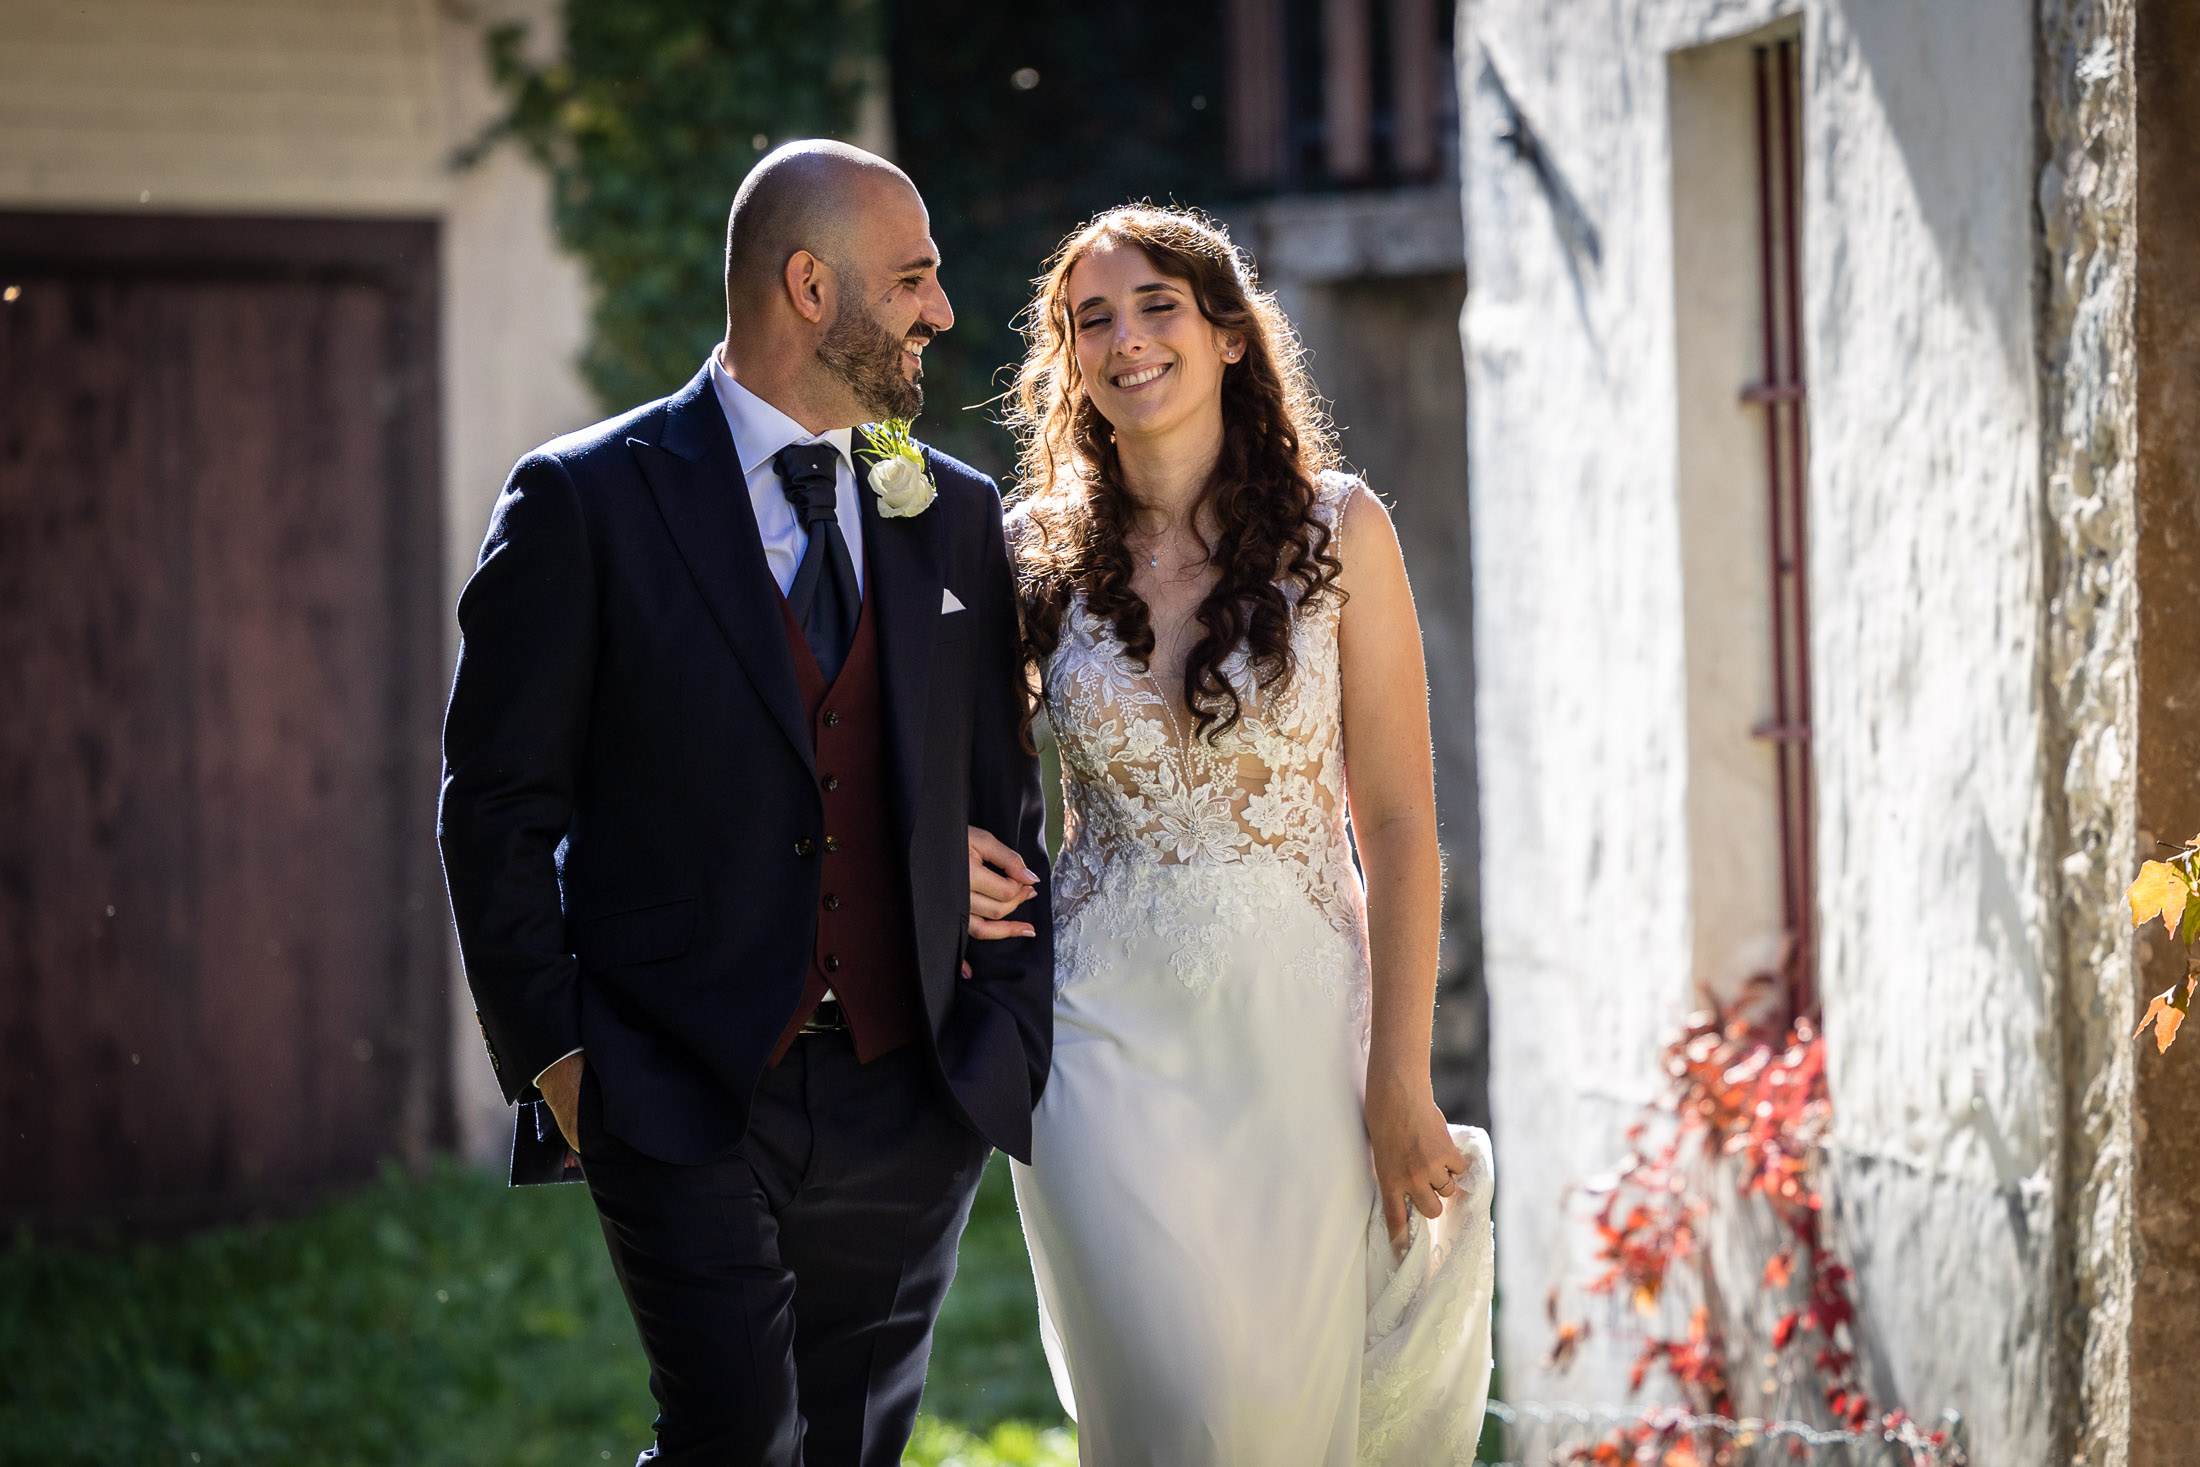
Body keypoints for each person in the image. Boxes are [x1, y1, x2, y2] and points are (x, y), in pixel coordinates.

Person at [437, 140, 1052, 1467]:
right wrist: (561, 1059)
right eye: (915, 278)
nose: (943, 311)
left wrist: (997, 1042)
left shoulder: (953, 512)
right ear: (810, 286)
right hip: (673, 1073)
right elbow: (492, 807)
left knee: (857, 1441)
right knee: (734, 1433)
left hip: (908, 1092)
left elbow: (1003, 803)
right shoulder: (586, 500)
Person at [966, 204, 1494, 1464]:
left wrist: (1398, 1077)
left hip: (1299, 1036)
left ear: (1228, 337)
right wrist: (950, 858)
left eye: (1157, 305)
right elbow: (948, 775)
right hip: (1095, 1039)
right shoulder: (1025, 554)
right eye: (1091, 318)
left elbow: (1404, 824)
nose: (1127, 339)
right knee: (1176, 1407)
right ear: (1069, 361)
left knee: (1273, 1414)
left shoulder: (1339, 530)